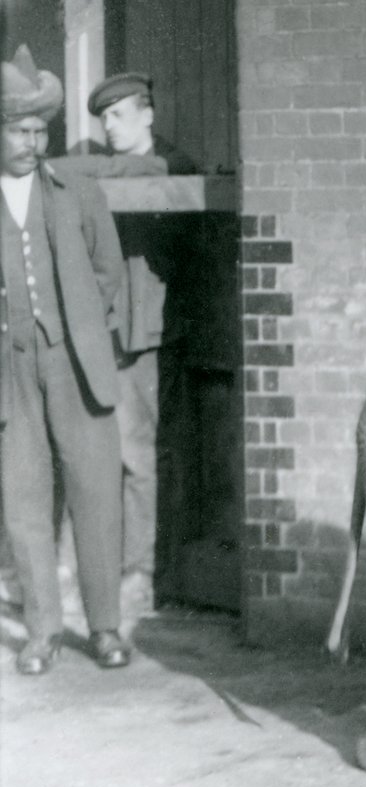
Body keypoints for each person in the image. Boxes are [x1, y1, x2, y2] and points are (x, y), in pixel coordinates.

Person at [0, 45, 131, 673]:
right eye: (19, 130)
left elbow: (108, 272)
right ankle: (43, 632)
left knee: (96, 490)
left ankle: (105, 628)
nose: (32, 141)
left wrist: (78, 326)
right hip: (9, 372)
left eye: (39, 129)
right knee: (24, 499)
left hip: (76, 365)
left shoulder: (75, 190)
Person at [86, 72, 198, 613]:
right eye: (103, 118)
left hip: (152, 334)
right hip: (109, 332)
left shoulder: (176, 167)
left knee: (143, 456)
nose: (108, 126)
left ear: (148, 114)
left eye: (118, 115)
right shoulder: (103, 169)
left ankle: (143, 573)